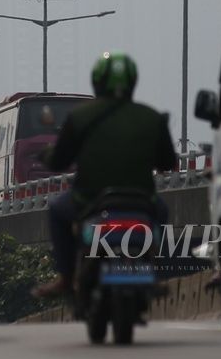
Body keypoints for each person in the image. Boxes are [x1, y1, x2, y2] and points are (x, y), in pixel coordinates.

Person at [32, 51, 177, 298]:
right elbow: (169, 162)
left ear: (97, 82)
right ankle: (152, 270)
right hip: (140, 202)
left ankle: (66, 279)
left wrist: (44, 154)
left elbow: (59, 160)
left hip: (89, 201)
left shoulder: (79, 117)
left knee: (57, 210)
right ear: (133, 82)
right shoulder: (151, 118)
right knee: (161, 211)